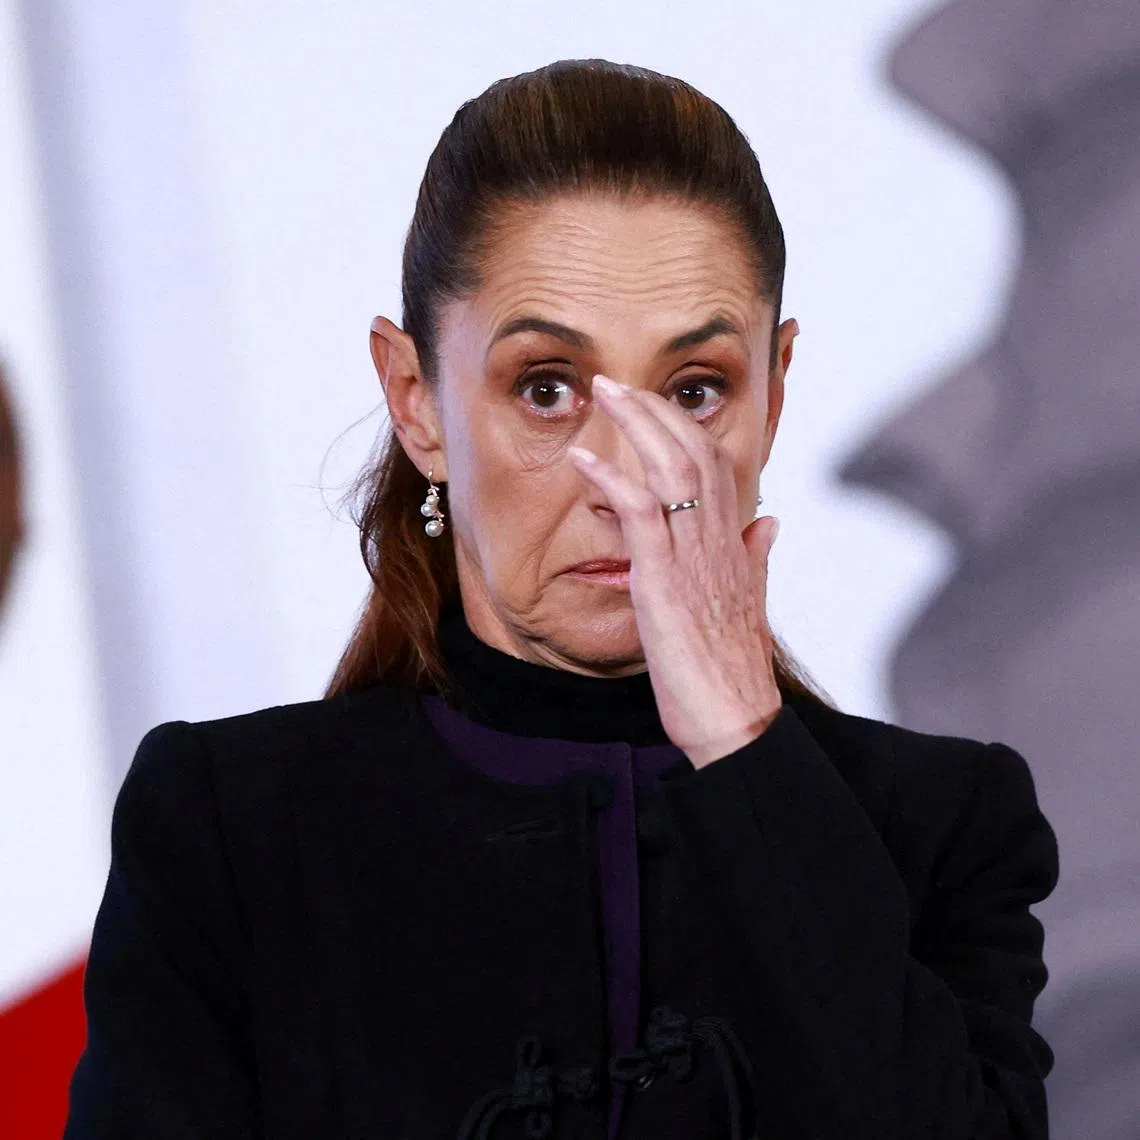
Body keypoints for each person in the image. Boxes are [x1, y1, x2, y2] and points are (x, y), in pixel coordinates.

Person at [63, 60, 1059, 1140]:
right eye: (546, 389)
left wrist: (741, 740)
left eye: (694, 391)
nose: (624, 478)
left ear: (774, 396)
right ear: (417, 402)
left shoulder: (942, 829)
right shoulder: (230, 833)